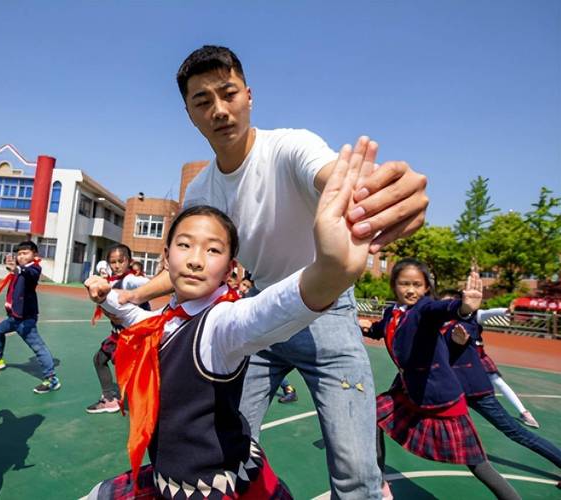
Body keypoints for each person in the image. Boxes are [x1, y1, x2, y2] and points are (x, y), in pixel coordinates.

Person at [117, 45, 430, 498]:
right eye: (203, 101)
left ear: (248, 95)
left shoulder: (289, 147)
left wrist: (373, 196)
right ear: (189, 114)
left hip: (327, 313)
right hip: (259, 315)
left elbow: (332, 179)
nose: (219, 110)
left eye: (228, 93)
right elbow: (190, 268)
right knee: (226, 442)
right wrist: (131, 294)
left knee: (355, 470)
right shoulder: (202, 190)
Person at [83, 145, 376, 498]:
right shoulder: (170, 317)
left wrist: (330, 269)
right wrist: (107, 296)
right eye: (185, 245)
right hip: (172, 480)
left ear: (231, 268)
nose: (195, 260)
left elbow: (274, 307)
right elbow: (139, 318)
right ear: (165, 256)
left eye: (213, 250)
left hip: (212, 489)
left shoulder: (222, 325)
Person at [360, 259, 520, 500]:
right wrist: (367, 328)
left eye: (417, 284)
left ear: (426, 288)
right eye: (404, 283)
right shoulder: (393, 311)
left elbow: (443, 310)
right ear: (394, 286)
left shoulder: (425, 310)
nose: (411, 289)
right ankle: (379, 485)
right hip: (408, 391)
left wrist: (464, 308)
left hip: (440, 398)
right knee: (373, 415)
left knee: (477, 464)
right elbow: (383, 328)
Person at [441, 307, 561, 471]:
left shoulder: (466, 323)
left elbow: (468, 327)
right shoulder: (437, 324)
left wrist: (505, 310)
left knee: (516, 432)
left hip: (474, 391)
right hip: (453, 389)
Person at [87, 244, 150, 414]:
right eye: (112, 262)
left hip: (133, 338)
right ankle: (109, 399)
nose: (116, 265)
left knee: (137, 373)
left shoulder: (130, 280)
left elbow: (146, 283)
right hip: (118, 336)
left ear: (129, 261)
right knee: (99, 359)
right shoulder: (110, 282)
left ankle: (150, 405)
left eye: (121, 261)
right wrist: (109, 314)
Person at [0, 240, 61, 394]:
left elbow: (28, 273)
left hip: (25, 319)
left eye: (25, 253)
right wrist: (14, 268)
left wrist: (17, 269)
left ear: (34, 255)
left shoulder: (34, 269)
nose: (22, 256)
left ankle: (51, 379)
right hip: (13, 317)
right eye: (19, 254)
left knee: (38, 348)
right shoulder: (19, 269)